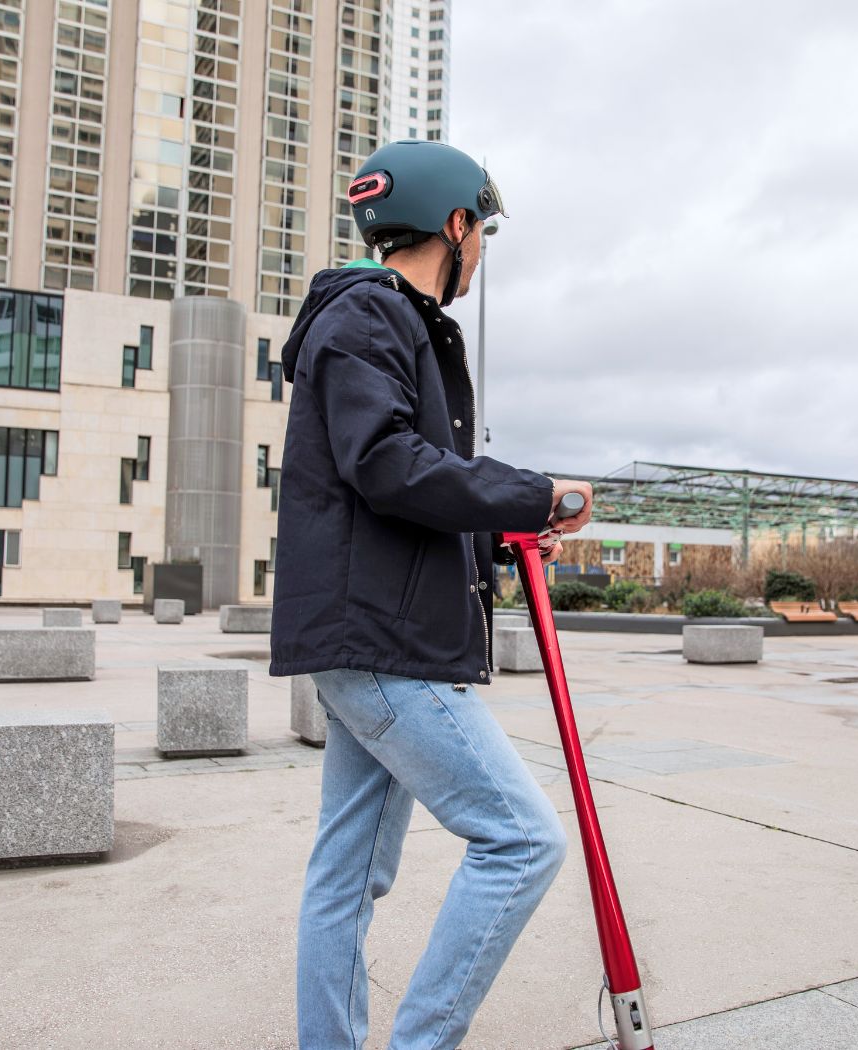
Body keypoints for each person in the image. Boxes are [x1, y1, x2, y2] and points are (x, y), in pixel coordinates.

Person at [270, 139, 594, 1049]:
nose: (483, 249)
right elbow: (387, 465)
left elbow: (405, 487)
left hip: (371, 632)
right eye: (481, 229)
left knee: (347, 874)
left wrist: (497, 526)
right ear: (454, 224)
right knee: (521, 841)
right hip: (381, 643)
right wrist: (534, 491)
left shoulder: (384, 325)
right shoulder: (370, 319)